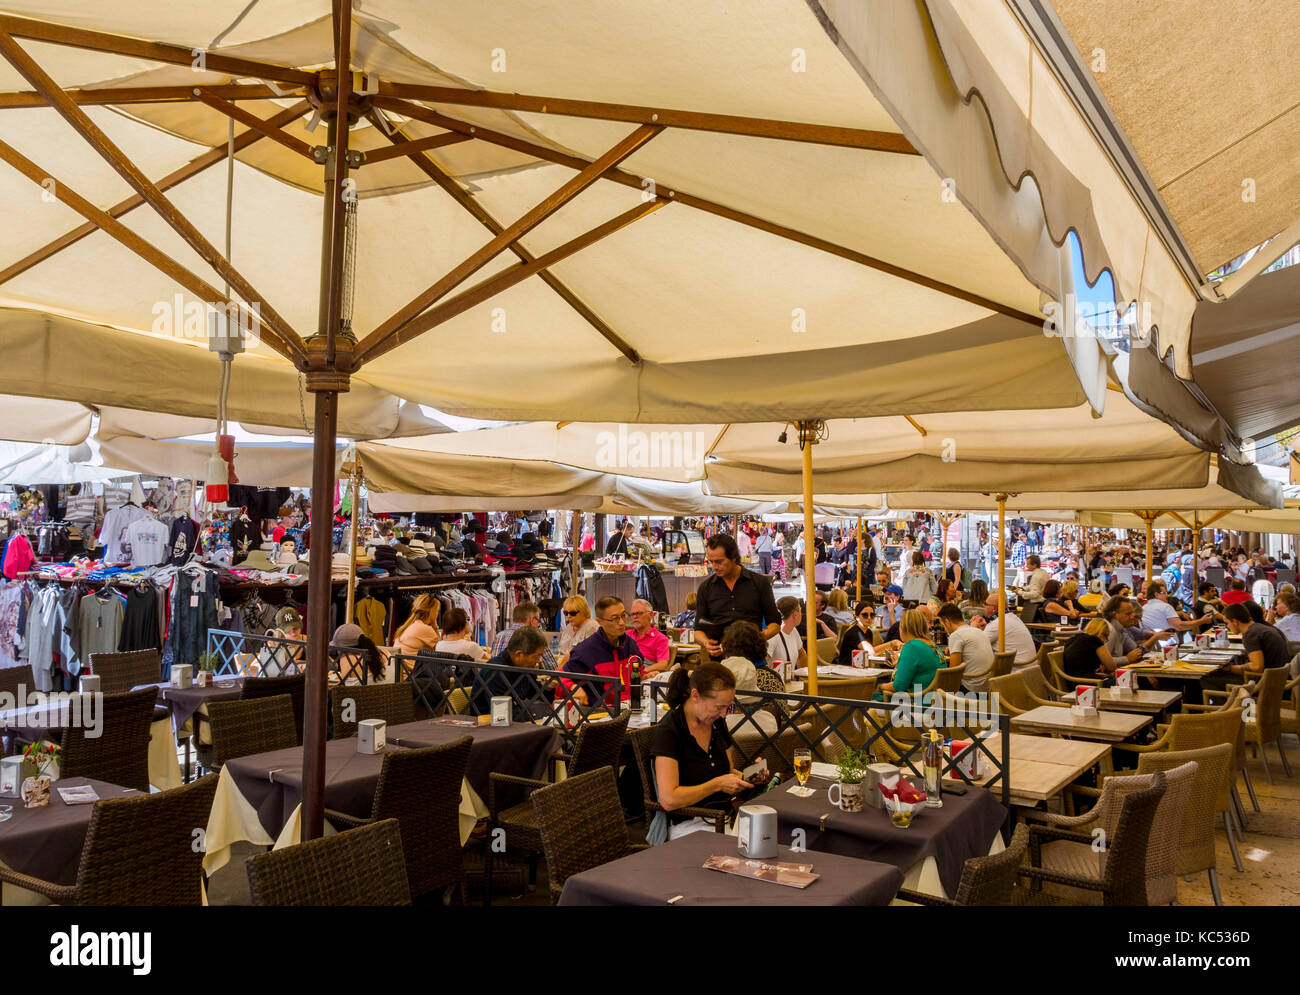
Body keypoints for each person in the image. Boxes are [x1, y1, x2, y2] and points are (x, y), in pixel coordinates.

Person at [649, 663, 748, 839]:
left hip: (724, 817)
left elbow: (728, 770)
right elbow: (669, 799)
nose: (724, 714)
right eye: (719, 707)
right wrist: (717, 784)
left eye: (728, 707)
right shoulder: (670, 731)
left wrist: (749, 778)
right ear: (695, 695)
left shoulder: (716, 722)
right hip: (688, 825)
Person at [692, 533, 780, 660]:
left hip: (753, 660)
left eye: (719, 562)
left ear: (733, 557)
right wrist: (706, 642)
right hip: (721, 664)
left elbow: (775, 624)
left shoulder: (759, 583)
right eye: (711, 562)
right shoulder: (706, 588)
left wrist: (755, 639)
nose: (715, 567)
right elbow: (698, 629)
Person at [564, 595, 641, 705]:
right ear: (599, 621)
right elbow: (561, 678)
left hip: (631, 707)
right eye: (615, 618)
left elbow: (640, 672)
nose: (622, 622)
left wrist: (649, 675)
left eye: (623, 615)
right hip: (601, 713)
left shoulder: (630, 644)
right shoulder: (586, 650)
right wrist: (573, 687)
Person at [1204, 604, 1292, 691]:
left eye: (1227, 623)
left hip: (1264, 684)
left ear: (1235, 621)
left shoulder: (1250, 634)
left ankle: (1236, 704)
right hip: (1278, 680)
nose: (1227, 627)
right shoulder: (1261, 628)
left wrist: (1231, 668)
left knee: (1207, 679)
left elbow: (1257, 667)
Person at [471, 626, 552, 720]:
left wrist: (548, 688)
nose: (539, 660)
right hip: (488, 725)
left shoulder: (524, 668)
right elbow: (502, 714)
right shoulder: (496, 672)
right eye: (536, 656)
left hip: (514, 721)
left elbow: (537, 696)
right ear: (518, 654)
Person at [877, 609, 945, 698]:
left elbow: (898, 686)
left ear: (904, 627)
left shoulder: (911, 647)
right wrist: (899, 664)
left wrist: (879, 686)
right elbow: (922, 671)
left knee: (868, 696)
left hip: (917, 702)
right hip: (936, 700)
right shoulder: (932, 645)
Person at [937, 603, 994, 691]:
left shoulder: (956, 635)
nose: (944, 629)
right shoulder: (977, 631)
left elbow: (953, 673)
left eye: (943, 625)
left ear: (947, 622)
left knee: (935, 689)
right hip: (988, 686)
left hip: (972, 688)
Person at [490, 601, 558, 670]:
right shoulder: (535, 638)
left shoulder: (499, 636)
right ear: (532, 620)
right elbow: (553, 667)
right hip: (522, 678)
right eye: (538, 620)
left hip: (495, 678)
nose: (538, 625)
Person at [979, 593, 1037, 668]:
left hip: (1015, 672)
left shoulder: (998, 623)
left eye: (986, 604)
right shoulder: (1013, 618)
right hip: (1031, 669)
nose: (984, 606)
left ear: (994, 608)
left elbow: (977, 645)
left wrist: (973, 627)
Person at [1061, 617, 1121, 681]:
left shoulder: (1073, 639)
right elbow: (1111, 667)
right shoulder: (1094, 640)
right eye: (1106, 637)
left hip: (1072, 682)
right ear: (1102, 633)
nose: (1105, 641)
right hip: (1088, 683)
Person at [627, 598, 671, 672]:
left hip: (645, 674)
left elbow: (663, 665)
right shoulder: (626, 635)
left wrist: (641, 672)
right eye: (633, 614)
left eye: (639, 613)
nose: (635, 617)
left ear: (651, 615)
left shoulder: (660, 638)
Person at [557, 595, 600, 664]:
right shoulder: (569, 627)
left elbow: (592, 657)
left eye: (572, 613)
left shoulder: (592, 627)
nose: (568, 616)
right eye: (566, 613)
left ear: (583, 611)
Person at [836, 600, 877, 667]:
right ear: (856, 617)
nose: (869, 618)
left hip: (860, 666)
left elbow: (869, 656)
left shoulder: (869, 632)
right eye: (865, 615)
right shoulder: (853, 633)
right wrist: (891, 644)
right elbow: (869, 651)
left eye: (872, 615)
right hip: (847, 668)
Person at [1016, 555, 1050, 623]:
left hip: (1036, 605)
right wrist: (1022, 589)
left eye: (1027, 564)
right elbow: (1034, 586)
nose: (1026, 566)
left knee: (1025, 624)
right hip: (1043, 603)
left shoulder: (1036, 577)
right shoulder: (1044, 573)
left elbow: (1035, 594)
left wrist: (1020, 592)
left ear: (1034, 565)